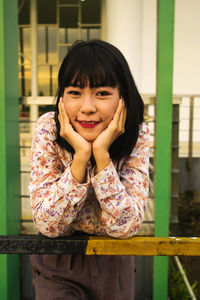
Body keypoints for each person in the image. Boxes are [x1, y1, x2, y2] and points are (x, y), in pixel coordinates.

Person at [29, 39, 149, 300]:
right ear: (62, 96)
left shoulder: (137, 133)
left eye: (102, 93)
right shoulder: (48, 129)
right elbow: (49, 224)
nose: (87, 107)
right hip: (56, 261)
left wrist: (102, 156)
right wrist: (80, 158)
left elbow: (125, 226)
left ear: (123, 97)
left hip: (113, 262)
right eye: (75, 92)